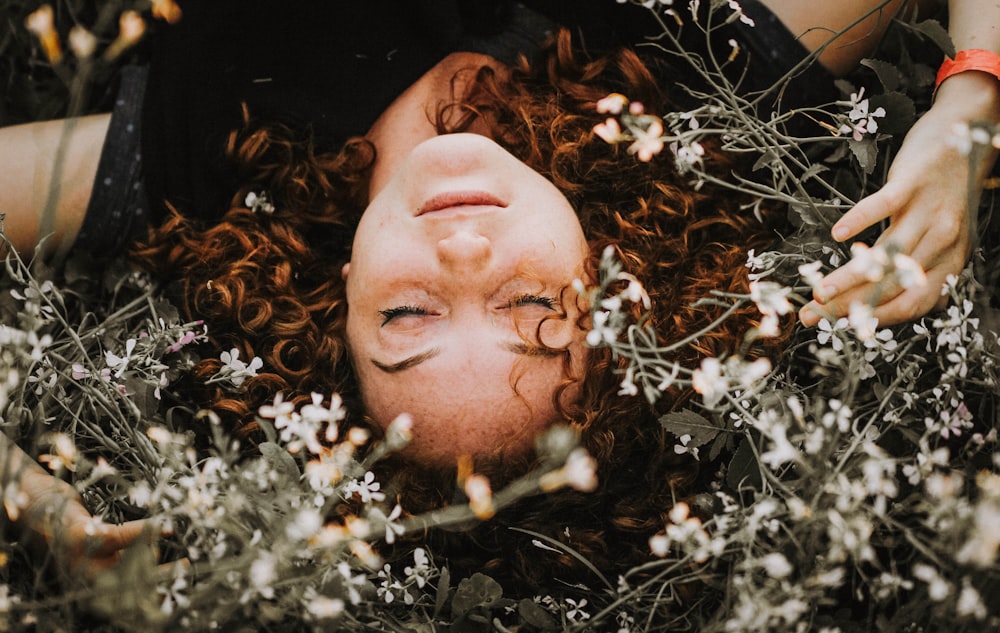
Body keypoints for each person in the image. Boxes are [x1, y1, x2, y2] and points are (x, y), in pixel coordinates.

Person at [1, 0, 996, 593]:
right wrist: (969, 109)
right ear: (610, 287)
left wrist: (31, 499)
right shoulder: (694, 80)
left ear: (339, 300)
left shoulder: (196, 160)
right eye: (533, 311)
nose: (463, 247)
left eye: (407, 317)